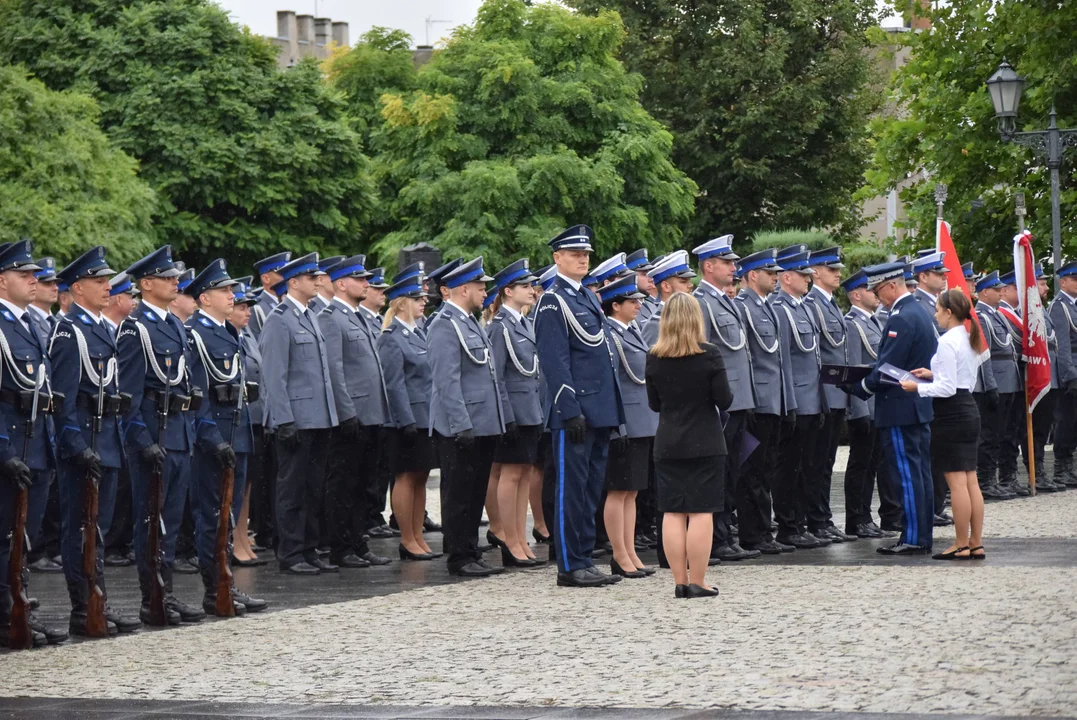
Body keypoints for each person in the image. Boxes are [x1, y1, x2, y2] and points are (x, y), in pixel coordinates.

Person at [51, 247, 141, 637]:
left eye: (107, 281)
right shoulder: (70, 330)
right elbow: (64, 399)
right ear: (77, 289)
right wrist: (75, 447)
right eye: (98, 281)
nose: (108, 286)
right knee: (80, 528)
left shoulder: (103, 328)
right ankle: (81, 605)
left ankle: (97, 598)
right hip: (84, 442)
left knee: (99, 527)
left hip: (106, 438)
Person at [534, 225, 625, 588]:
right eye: (574, 254)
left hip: (598, 408)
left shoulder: (585, 297)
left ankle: (585, 558)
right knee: (570, 489)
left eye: (586, 254)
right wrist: (567, 407)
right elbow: (554, 360)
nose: (583, 259)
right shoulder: (553, 300)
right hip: (575, 411)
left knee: (590, 489)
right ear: (557, 258)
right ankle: (570, 565)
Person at [117, 246, 203, 625]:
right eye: (167, 278)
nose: (175, 283)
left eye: (175, 278)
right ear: (146, 283)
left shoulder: (173, 325)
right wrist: (141, 441)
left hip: (179, 432)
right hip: (153, 434)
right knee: (151, 520)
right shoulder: (136, 328)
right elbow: (130, 397)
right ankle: (151, 597)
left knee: (170, 518)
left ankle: (165, 593)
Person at [185, 260, 268, 616]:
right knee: (213, 518)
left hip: (237, 432)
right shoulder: (196, 334)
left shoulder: (227, 332)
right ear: (205, 298)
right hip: (215, 439)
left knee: (229, 518)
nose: (232, 296)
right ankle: (215, 588)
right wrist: (212, 439)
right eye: (224, 290)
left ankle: (226, 583)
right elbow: (197, 395)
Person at [0, 240, 67, 647]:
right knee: (5, 535)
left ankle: (17, 606)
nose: (33, 280)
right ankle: (7, 615)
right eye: (23, 274)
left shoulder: (27, 323)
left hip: (37, 442)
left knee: (25, 536)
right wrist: (3, 450)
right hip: (12, 445)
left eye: (33, 274)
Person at [645, 293, 733, 598]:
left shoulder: (654, 356)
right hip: (705, 441)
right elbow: (725, 400)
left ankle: (679, 582)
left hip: (668, 441)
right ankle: (698, 580)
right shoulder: (709, 354)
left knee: (671, 512)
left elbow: (654, 403)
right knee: (700, 512)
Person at [848, 261, 938, 554]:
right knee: (919, 473)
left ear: (890, 285)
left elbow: (890, 367)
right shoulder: (918, 311)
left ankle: (912, 537)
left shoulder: (901, 316)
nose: (877, 297)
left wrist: (860, 387)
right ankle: (920, 534)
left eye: (877, 290)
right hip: (915, 405)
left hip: (900, 406)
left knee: (908, 475)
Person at [428, 257, 509, 578]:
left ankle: (470, 549)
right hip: (460, 425)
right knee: (458, 493)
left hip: (482, 422)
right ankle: (459, 555)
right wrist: (461, 424)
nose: (484, 290)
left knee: (475, 491)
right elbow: (446, 381)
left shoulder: (470, 321)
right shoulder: (444, 325)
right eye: (480, 286)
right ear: (463, 289)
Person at [259, 253, 339, 576]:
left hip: (317, 417)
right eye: (311, 277)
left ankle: (309, 548)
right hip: (295, 418)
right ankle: (291, 552)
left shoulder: (310, 316)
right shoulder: (280, 318)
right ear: (293, 283)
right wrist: (283, 419)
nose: (317, 281)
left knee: (313, 487)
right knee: (291, 487)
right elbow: (274, 375)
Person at [317, 255, 393, 569]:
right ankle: (341, 546)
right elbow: (334, 370)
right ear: (341, 284)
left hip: (371, 412)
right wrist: (346, 412)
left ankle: (359, 542)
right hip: (353, 415)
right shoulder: (331, 317)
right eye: (360, 279)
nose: (366, 283)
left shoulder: (359, 315)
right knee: (343, 483)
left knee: (364, 484)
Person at [900, 289, 985, 559]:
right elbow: (961, 379)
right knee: (971, 481)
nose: (935, 314)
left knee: (957, 483)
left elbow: (947, 388)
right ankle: (975, 542)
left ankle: (960, 544)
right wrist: (932, 374)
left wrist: (917, 388)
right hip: (968, 409)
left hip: (951, 414)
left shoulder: (948, 341)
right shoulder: (967, 337)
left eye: (937, 309)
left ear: (949, 312)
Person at [690, 236, 759, 562]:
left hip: (738, 398)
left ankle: (726, 533)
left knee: (733, 469)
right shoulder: (700, 302)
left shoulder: (727, 301)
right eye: (727, 262)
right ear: (709, 266)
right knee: (718, 471)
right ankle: (717, 538)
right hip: (721, 403)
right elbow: (701, 353)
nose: (734, 268)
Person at [482, 260, 543, 567]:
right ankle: (509, 540)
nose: (532, 291)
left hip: (531, 410)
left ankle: (519, 538)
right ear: (508, 291)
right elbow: (498, 376)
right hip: (514, 413)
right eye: (525, 286)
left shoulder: (523, 323)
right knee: (511, 474)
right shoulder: (499, 327)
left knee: (524, 474)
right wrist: (506, 416)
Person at [734, 249, 795, 555]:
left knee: (767, 469)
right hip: (758, 400)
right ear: (753, 275)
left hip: (774, 400)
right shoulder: (743, 307)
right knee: (752, 472)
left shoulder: (768, 307)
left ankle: (763, 530)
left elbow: (779, 359)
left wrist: (788, 402)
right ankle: (753, 533)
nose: (775, 277)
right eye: (769, 273)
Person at [770, 250, 829, 549]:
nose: (809, 279)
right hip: (796, 399)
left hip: (812, 398)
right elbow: (784, 361)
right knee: (789, 467)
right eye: (803, 275)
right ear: (787, 277)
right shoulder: (781, 309)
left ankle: (802, 522)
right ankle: (788, 525)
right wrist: (789, 403)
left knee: (807, 465)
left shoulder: (803, 308)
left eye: (809, 275)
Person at [379, 274, 439, 560]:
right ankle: (407, 538)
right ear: (401, 303)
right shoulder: (392, 338)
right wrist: (406, 421)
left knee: (421, 476)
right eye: (417, 299)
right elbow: (394, 383)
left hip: (426, 416)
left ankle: (417, 535)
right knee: (405, 476)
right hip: (407, 420)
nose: (423, 303)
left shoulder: (420, 332)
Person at [601, 275, 658, 578]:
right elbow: (612, 384)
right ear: (615, 305)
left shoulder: (631, 331)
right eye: (631, 301)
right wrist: (617, 425)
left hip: (642, 421)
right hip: (625, 423)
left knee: (632, 491)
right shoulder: (610, 335)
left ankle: (630, 551)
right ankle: (619, 553)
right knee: (618, 490)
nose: (638, 305)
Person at [802, 247, 856, 543]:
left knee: (826, 461)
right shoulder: (812, 304)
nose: (837, 274)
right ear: (816, 272)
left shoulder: (829, 303)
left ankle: (822, 518)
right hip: (823, 393)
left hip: (837, 392)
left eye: (838, 269)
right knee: (816, 461)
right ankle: (817, 519)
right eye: (831, 269)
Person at [841, 270, 900, 538]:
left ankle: (867, 517)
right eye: (868, 290)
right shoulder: (852, 324)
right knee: (860, 465)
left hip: (878, 405)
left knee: (873, 464)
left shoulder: (874, 322)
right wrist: (859, 409)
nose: (874, 293)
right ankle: (857, 518)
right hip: (864, 405)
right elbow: (853, 371)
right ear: (856, 295)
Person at [227, 279, 268, 564]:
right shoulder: (227, 337)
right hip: (237, 419)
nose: (247, 312)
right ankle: (233, 540)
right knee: (235, 485)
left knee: (248, 484)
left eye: (248, 307)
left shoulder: (248, 336)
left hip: (254, 418)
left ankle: (242, 537)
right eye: (240, 306)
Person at [101, 273, 139, 569]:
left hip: (120, 421)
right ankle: (112, 543)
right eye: (130, 296)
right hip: (110, 421)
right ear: (117, 299)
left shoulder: (121, 330)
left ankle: (119, 542)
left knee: (124, 488)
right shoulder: (113, 332)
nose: (134, 302)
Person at [974, 271, 1020, 500]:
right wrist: (990, 385)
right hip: (996, 381)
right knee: (990, 434)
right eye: (997, 289)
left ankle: (997, 478)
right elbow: (984, 353)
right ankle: (986, 480)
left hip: (1008, 379)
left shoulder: (997, 315)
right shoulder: (981, 316)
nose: (1002, 292)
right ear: (984, 292)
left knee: (1004, 431)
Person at [1047, 261, 1077, 490]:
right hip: (1071, 370)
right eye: (1074, 279)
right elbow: (1063, 345)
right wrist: (1070, 375)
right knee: (1067, 420)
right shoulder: (1060, 306)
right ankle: (1062, 467)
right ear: (1063, 281)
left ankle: (1070, 465)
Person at [641, 251, 696, 346]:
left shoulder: (689, 316)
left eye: (689, 281)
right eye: (683, 282)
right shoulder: (655, 325)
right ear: (666, 286)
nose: (690, 285)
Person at [249, 252, 291, 340]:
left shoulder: (290, 302)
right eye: (282, 273)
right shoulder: (257, 308)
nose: (288, 276)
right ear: (266, 278)